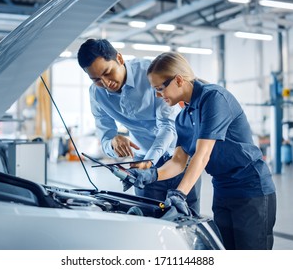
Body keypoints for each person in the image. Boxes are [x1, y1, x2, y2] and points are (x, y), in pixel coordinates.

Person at [129, 52, 276, 250]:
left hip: (251, 188)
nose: (157, 95)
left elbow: (202, 154)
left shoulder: (213, 98)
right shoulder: (182, 118)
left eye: (159, 89)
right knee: (225, 251)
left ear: (178, 80)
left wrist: (179, 193)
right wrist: (151, 174)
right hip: (223, 189)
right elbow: (178, 161)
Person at [77, 39, 201, 213]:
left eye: (107, 73)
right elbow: (105, 137)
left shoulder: (151, 74)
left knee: (189, 220)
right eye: (96, 79)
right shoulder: (97, 94)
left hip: (179, 158)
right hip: (142, 164)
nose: (105, 83)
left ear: (119, 59)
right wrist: (113, 142)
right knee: (148, 220)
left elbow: (167, 126)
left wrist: (149, 162)